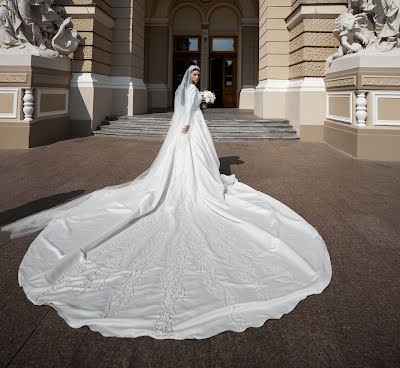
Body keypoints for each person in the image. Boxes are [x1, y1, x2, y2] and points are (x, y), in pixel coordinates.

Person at [1, 65, 332, 339]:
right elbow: (186, 111)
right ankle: (196, 188)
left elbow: (187, 107)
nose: (199, 78)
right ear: (192, 77)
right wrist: (192, 114)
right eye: (197, 75)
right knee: (193, 169)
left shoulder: (188, 90)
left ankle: (198, 183)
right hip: (190, 130)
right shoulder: (189, 92)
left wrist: (196, 107)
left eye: (201, 75)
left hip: (191, 130)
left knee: (197, 165)